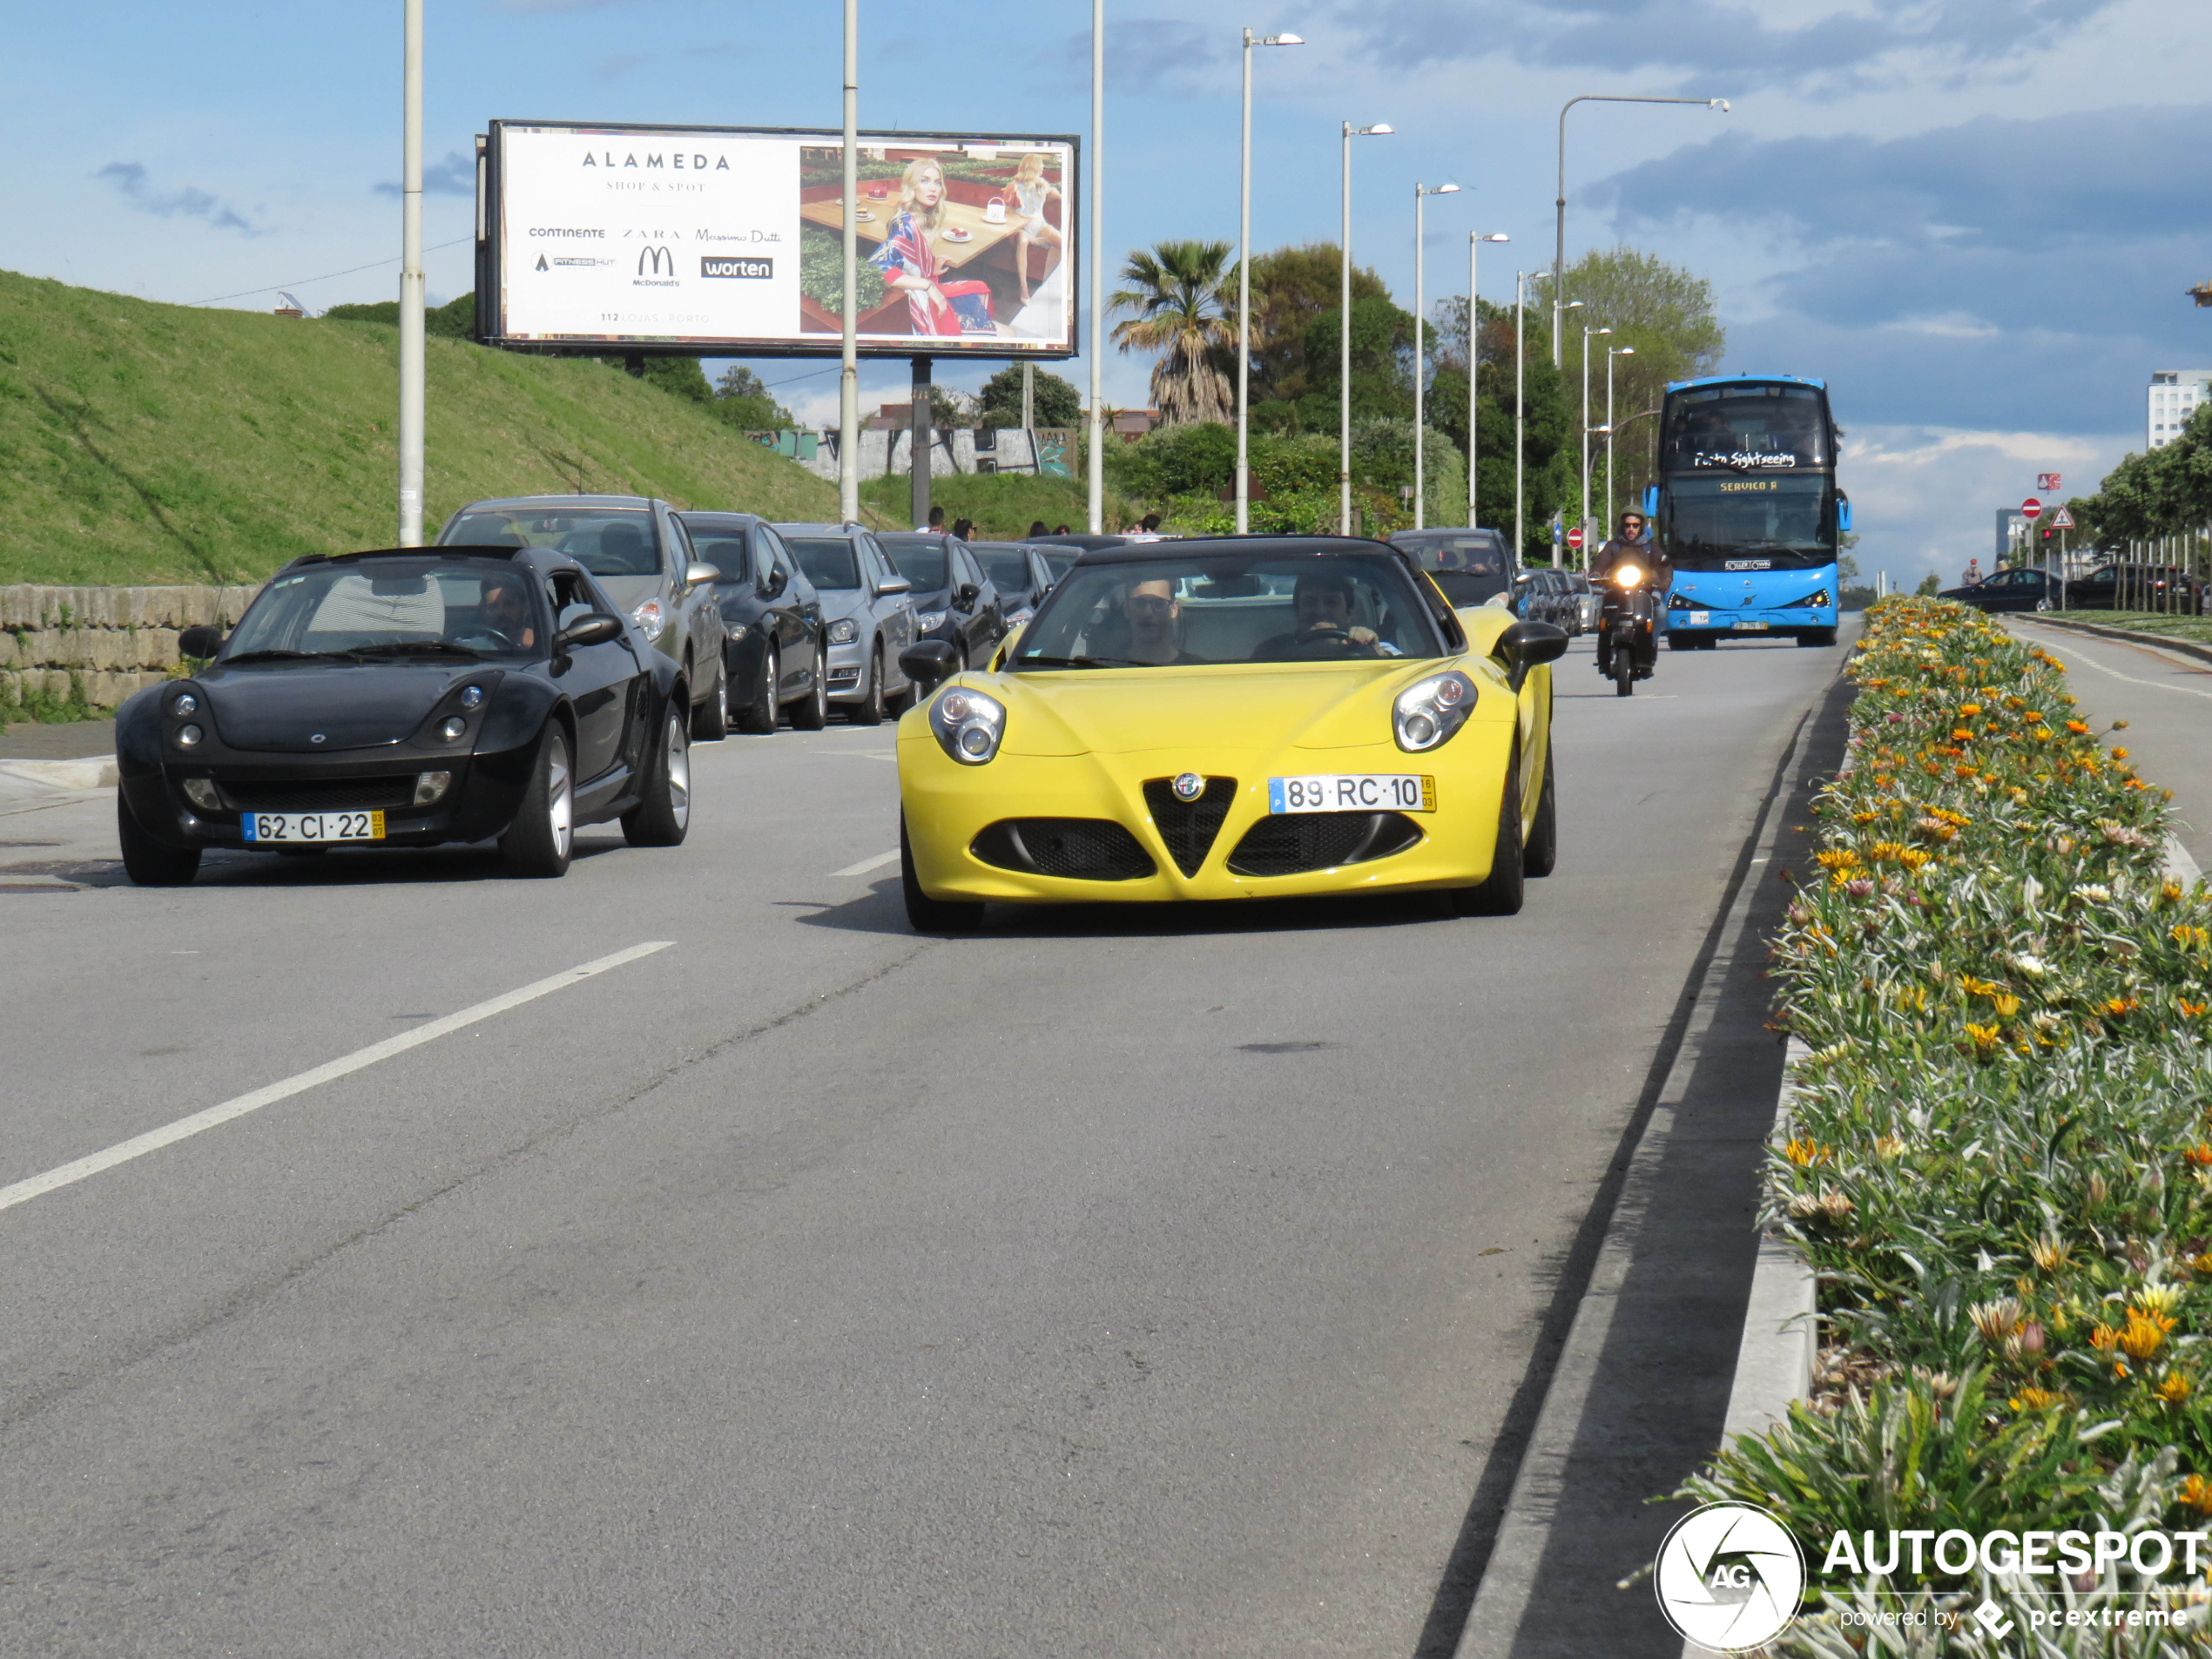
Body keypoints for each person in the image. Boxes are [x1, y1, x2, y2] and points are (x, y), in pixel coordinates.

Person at [870, 157, 1002, 338]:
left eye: (937, 183)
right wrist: (928, 285)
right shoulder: (905, 224)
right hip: (917, 306)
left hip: (922, 294)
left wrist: (930, 268)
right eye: (924, 181)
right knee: (1007, 333)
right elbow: (877, 267)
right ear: (912, 185)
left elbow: (908, 263)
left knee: (977, 289)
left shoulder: (920, 218)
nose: (933, 188)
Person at [1252, 570, 1381, 659]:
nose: (1321, 611)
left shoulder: (1366, 647)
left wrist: (1375, 652)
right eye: (1310, 602)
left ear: (1350, 612)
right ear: (1297, 611)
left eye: (1332, 602)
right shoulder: (1271, 652)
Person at [1005, 152, 1063, 306]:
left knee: (1066, 244)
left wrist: (1062, 197)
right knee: (1023, 241)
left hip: (1041, 226)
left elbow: (1055, 195)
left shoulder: (1042, 184)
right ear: (1034, 167)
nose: (1043, 167)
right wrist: (1018, 217)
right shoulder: (1013, 186)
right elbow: (1006, 210)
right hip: (1022, 228)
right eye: (1041, 164)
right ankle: (1024, 290)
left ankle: (1070, 289)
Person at [1117, 577, 1203, 665]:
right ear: (1126, 609)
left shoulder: (1198, 669)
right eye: (1139, 603)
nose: (1148, 613)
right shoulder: (1108, 667)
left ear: (1174, 609)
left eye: (1158, 604)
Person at [473, 573, 536, 651]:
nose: (500, 612)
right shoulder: (472, 649)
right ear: (484, 611)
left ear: (526, 608)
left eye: (508, 605)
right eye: (493, 606)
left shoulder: (543, 646)